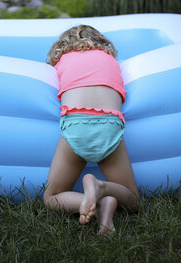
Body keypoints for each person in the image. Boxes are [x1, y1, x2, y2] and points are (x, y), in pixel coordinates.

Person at [43, 25, 139, 234]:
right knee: (132, 199)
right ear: (100, 42)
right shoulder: (111, 61)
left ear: (62, 47)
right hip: (110, 123)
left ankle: (85, 202)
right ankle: (102, 190)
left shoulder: (62, 61)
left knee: (52, 196)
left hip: (76, 122)